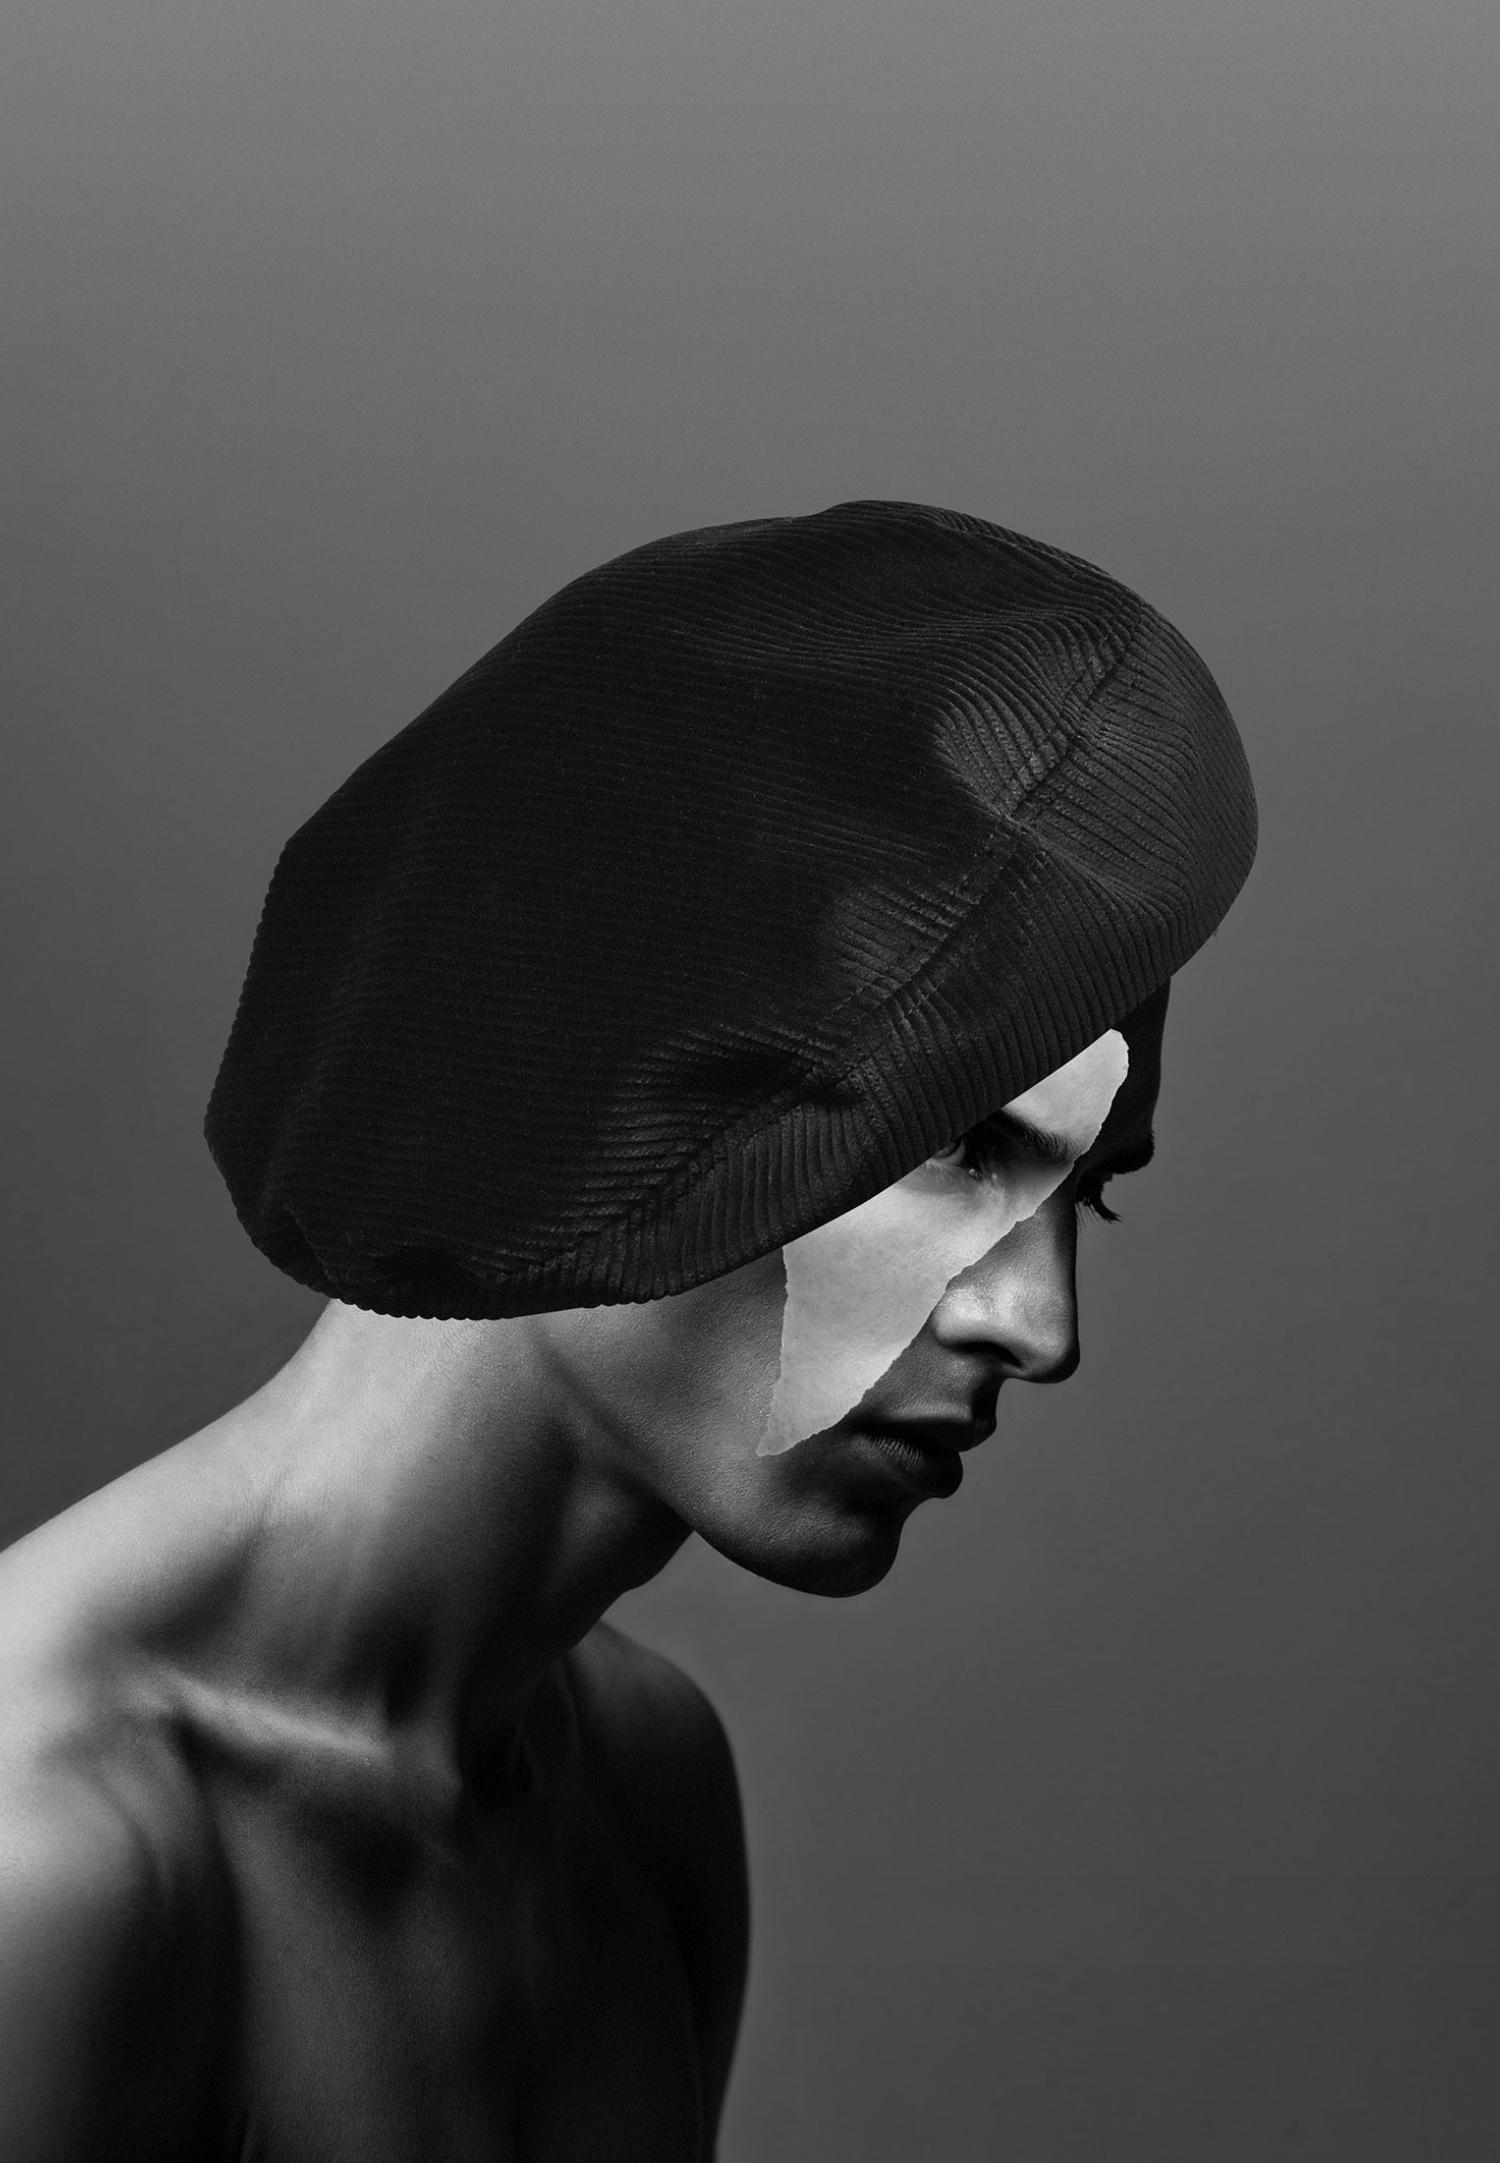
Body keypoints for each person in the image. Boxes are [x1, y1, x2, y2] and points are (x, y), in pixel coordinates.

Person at [0, 501, 1255, 2159]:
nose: (1040, 1326)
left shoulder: (645, 1797)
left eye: (1086, 1200)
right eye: (957, 1149)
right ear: (604, 1067)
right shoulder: (52, 1861)